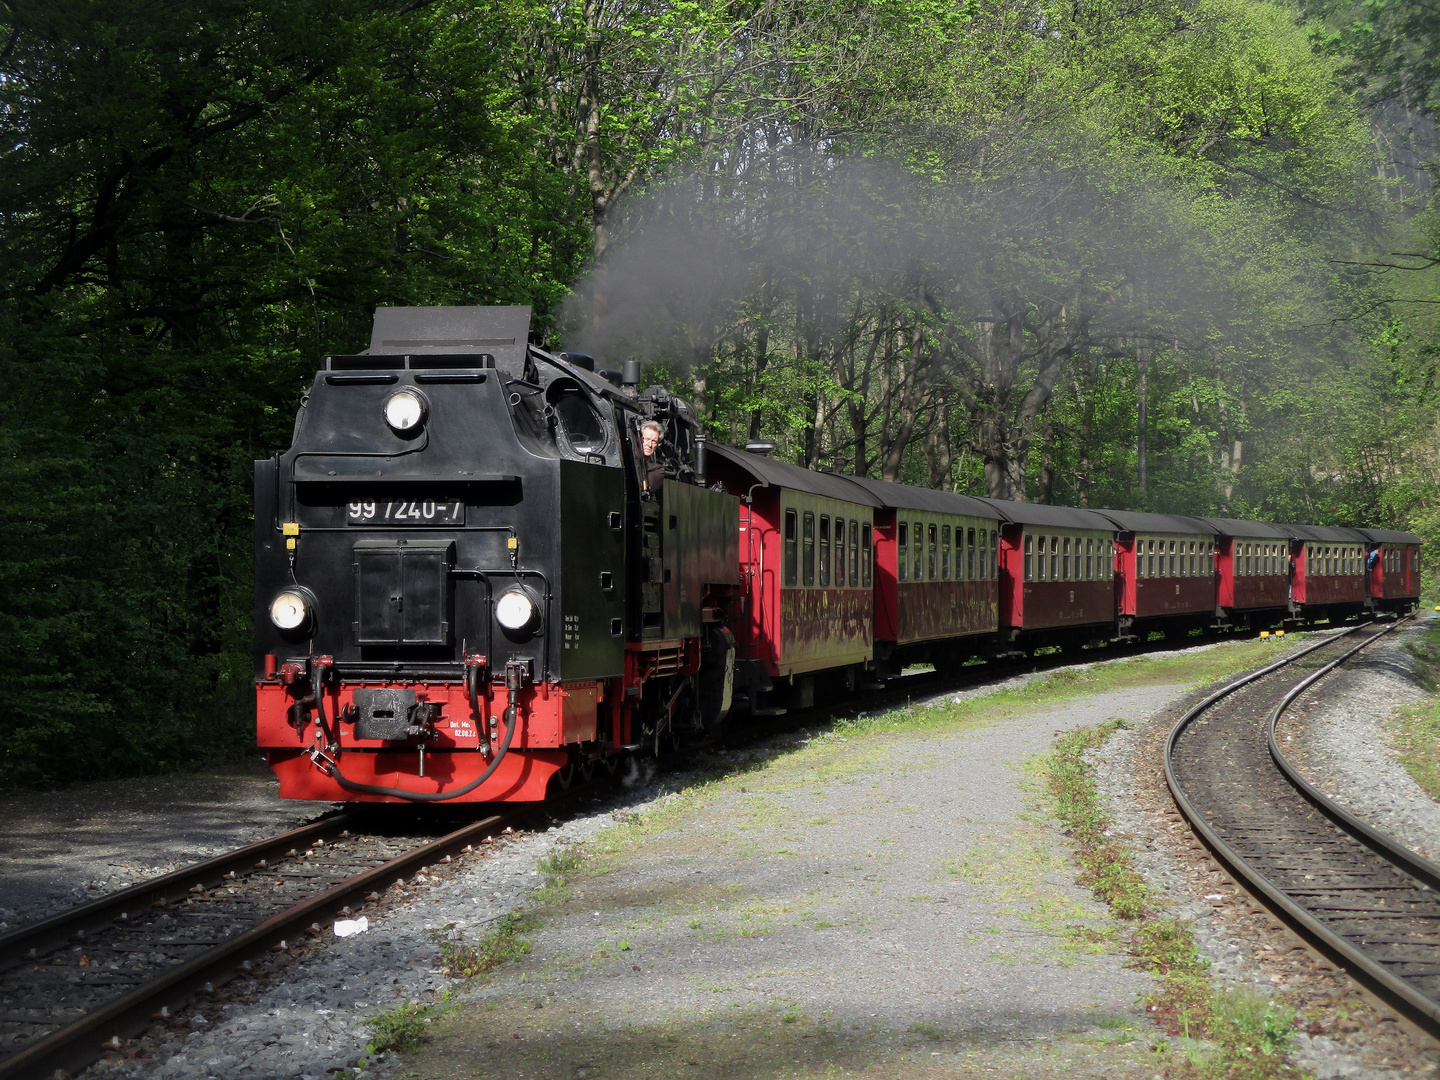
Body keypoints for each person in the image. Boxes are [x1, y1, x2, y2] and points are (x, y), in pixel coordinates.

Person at [640, 420, 665, 493]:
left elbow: (643, 487)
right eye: (647, 439)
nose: (649, 444)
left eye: (654, 441)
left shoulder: (658, 470)